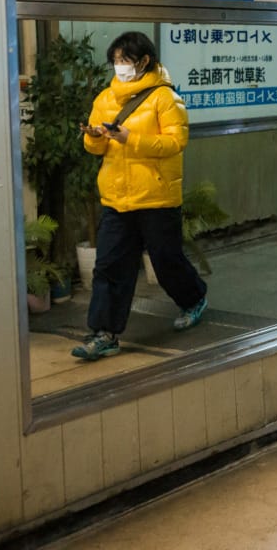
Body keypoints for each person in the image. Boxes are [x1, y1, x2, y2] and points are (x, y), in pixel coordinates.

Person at [71, 31, 209, 361]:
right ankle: (104, 333)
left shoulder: (165, 97)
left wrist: (130, 138)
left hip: (157, 197)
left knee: (166, 261)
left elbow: (175, 143)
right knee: (109, 266)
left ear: (144, 61)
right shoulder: (106, 98)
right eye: (115, 61)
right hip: (117, 197)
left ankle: (193, 298)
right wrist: (93, 137)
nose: (119, 67)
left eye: (124, 61)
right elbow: (96, 147)